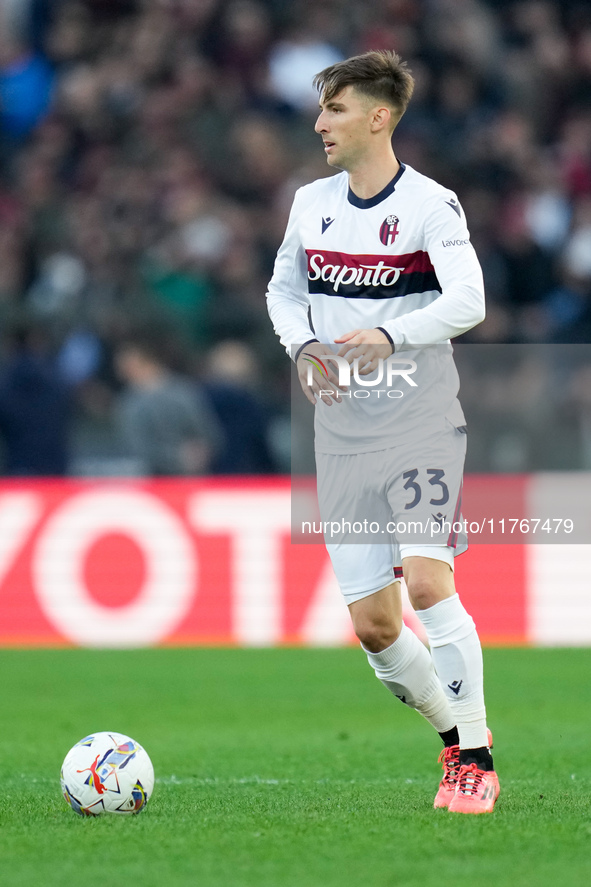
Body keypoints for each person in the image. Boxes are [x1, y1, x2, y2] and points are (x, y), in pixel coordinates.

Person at [266, 50, 499, 814]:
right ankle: (449, 740)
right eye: (320, 108)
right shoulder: (310, 203)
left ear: (378, 115)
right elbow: (283, 289)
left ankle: (477, 755)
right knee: (373, 627)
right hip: (340, 434)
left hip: (419, 422)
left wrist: (390, 337)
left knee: (429, 582)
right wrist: (302, 346)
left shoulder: (432, 205)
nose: (318, 123)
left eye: (334, 109)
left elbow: (469, 300)